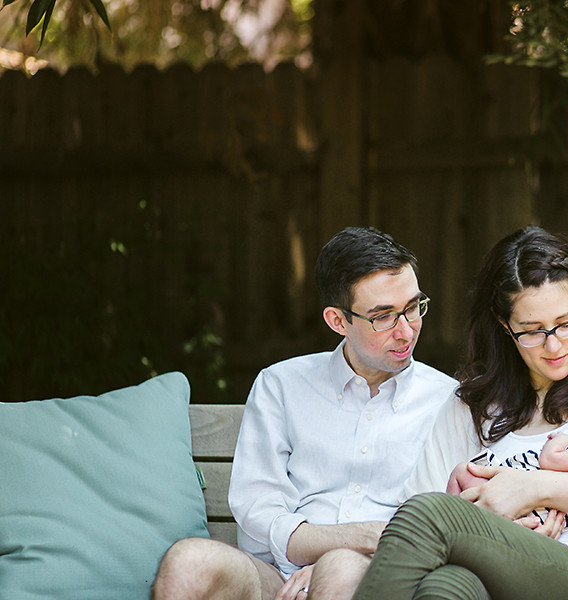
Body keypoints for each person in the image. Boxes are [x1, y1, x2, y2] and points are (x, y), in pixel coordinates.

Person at [352, 226, 568, 600]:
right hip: (493, 577)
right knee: (444, 587)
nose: (554, 345)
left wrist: (532, 488)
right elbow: (421, 518)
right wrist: (494, 517)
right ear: (504, 325)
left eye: (566, 323)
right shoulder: (470, 408)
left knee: (431, 514)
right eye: (531, 330)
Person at [151, 226, 457, 600]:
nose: (406, 331)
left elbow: (435, 527)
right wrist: (343, 541)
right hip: (275, 576)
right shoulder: (281, 385)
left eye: (413, 307)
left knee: (341, 569)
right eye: (383, 316)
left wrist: (335, 559)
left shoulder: (448, 401)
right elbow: (258, 511)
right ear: (337, 321)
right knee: (188, 561)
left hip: (380, 576)